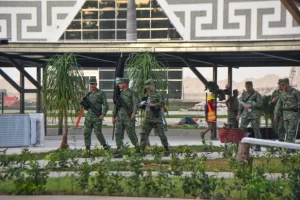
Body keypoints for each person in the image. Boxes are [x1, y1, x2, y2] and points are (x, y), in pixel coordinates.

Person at [140, 79, 170, 156]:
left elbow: (162, 103)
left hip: (156, 118)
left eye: (149, 87)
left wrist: (153, 105)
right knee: (144, 134)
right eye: (147, 88)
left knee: (161, 134)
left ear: (152, 86)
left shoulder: (158, 94)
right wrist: (141, 105)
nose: (148, 89)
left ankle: (166, 149)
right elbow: (144, 104)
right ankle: (141, 150)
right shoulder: (147, 95)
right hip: (148, 118)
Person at [112, 78, 140, 157]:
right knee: (118, 133)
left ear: (125, 84)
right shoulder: (119, 94)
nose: (119, 85)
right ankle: (119, 149)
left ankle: (137, 148)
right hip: (120, 117)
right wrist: (113, 116)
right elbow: (115, 106)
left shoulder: (132, 93)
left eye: (120, 83)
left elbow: (136, 103)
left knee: (131, 133)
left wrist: (134, 113)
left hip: (128, 117)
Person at [83, 78, 110, 152]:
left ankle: (105, 146)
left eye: (93, 84)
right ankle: (87, 149)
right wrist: (85, 106)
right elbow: (86, 106)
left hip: (97, 117)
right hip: (88, 117)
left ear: (96, 84)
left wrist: (103, 114)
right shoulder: (88, 94)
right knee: (86, 132)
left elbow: (106, 105)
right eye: (91, 84)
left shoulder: (101, 93)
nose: (92, 85)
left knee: (98, 133)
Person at [237, 81, 262, 151]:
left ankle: (258, 146)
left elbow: (260, 104)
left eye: (248, 87)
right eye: (246, 87)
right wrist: (239, 114)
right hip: (245, 115)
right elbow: (241, 106)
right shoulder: (244, 94)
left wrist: (251, 105)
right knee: (241, 129)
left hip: (254, 115)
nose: (247, 88)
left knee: (256, 130)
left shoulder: (256, 94)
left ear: (251, 86)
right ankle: (241, 145)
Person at [274, 78, 300, 143]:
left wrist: (297, 108)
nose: (281, 86)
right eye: (281, 85)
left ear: (287, 84)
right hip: (285, 115)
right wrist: (276, 114)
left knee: (291, 131)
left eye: (283, 85)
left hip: (293, 115)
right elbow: (278, 104)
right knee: (287, 131)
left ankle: (289, 149)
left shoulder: (295, 92)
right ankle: (291, 148)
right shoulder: (282, 94)